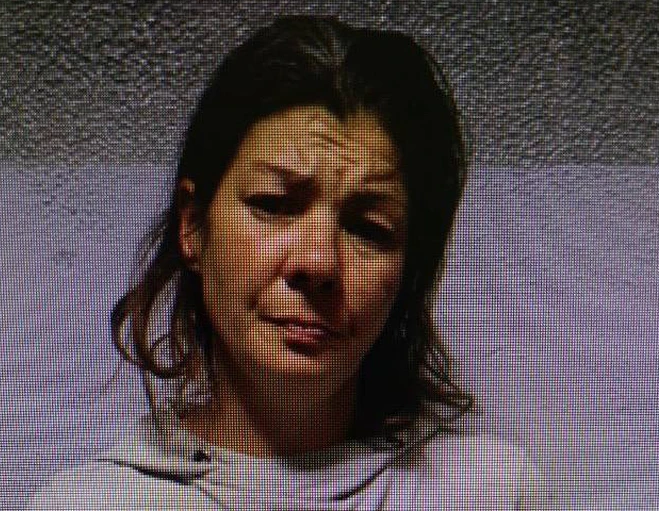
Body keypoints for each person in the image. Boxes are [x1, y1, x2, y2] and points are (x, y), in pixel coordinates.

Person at [28, 15, 547, 510]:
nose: (318, 263)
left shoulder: (488, 491)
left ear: (407, 271)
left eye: (369, 228)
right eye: (274, 206)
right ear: (193, 226)